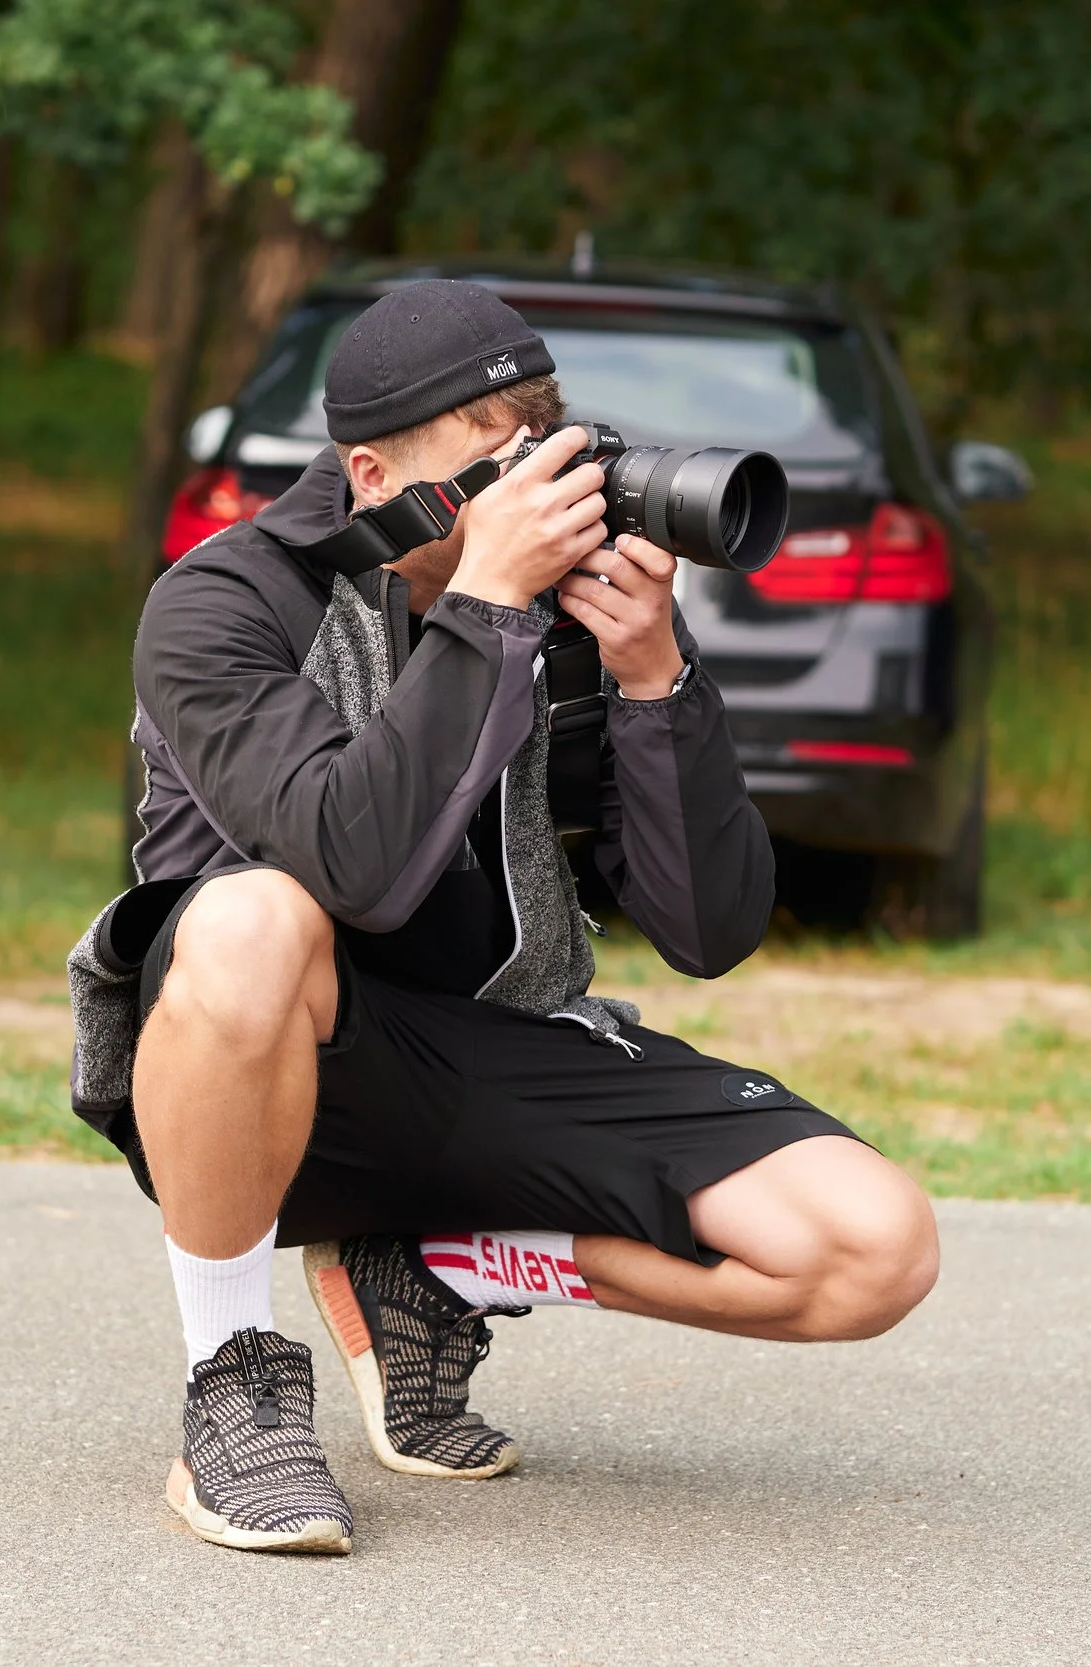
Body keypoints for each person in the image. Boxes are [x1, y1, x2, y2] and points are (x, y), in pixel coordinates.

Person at [67, 279, 939, 1555]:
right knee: (252, 916)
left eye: (536, 451)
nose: (527, 495)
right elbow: (353, 867)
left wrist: (657, 677)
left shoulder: (569, 607)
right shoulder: (226, 600)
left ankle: (445, 1266)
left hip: (498, 1035)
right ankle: (234, 1375)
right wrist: (484, 610)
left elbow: (710, 930)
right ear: (373, 473)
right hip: (281, 1067)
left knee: (871, 1250)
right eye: (486, 465)